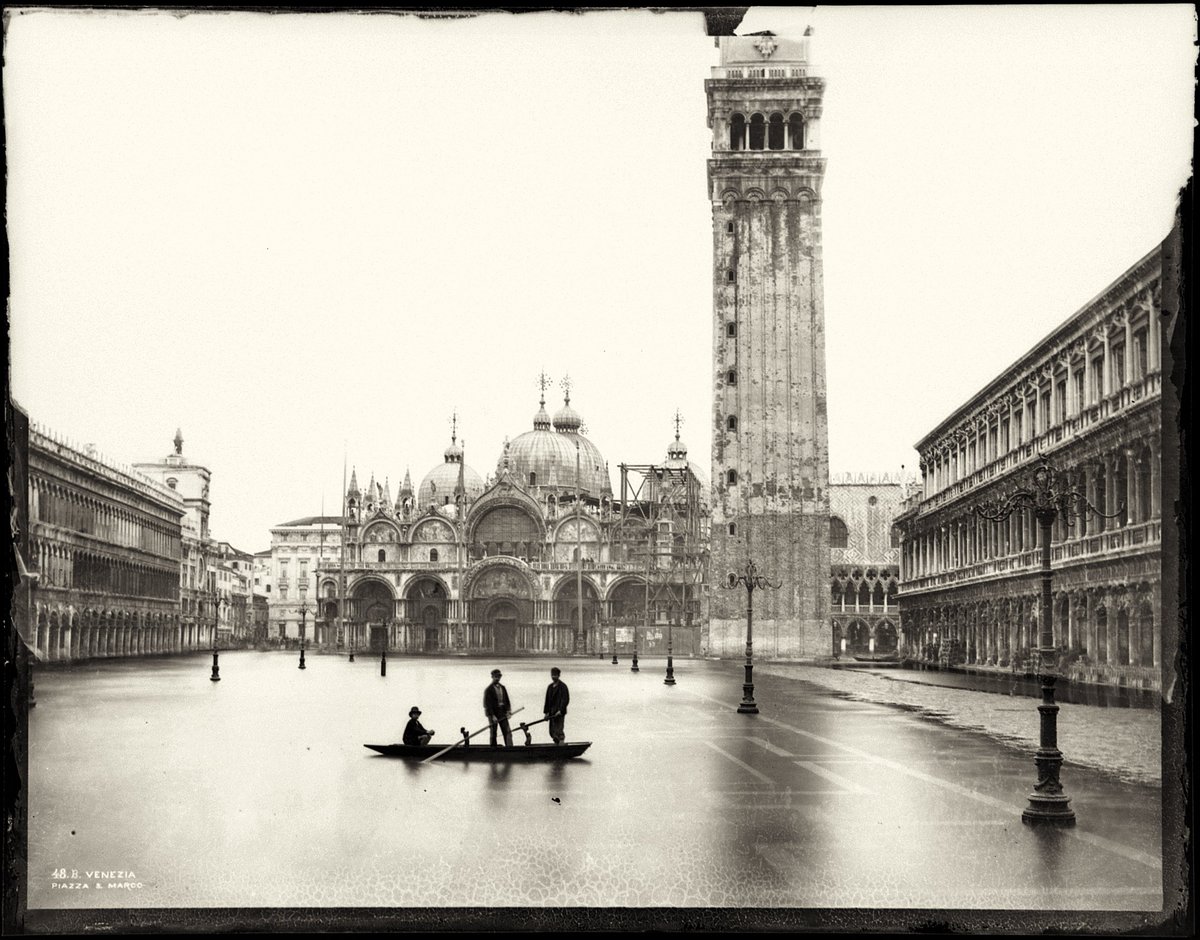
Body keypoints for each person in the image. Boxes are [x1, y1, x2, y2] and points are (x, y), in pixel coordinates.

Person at [483, 668, 514, 747]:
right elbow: (487, 705)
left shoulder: (503, 688)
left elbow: (507, 700)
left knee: (507, 732)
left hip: (502, 712)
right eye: (496, 676)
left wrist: (508, 711)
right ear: (492, 677)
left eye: (499, 676)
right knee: (493, 732)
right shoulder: (488, 690)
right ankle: (493, 750)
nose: (497, 678)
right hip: (493, 713)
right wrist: (492, 716)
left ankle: (510, 749)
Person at [543, 667, 570, 745]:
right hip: (551, 712)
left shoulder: (563, 687)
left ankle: (561, 743)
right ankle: (556, 744)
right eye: (552, 675)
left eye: (555, 675)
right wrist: (546, 712)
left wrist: (560, 710)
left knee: (559, 730)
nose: (553, 677)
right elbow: (547, 701)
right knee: (552, 732)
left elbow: (565, 700)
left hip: (559, 713)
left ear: (558, 676)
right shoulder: (550, 687)